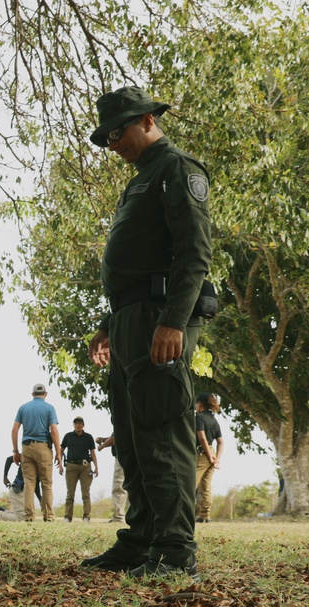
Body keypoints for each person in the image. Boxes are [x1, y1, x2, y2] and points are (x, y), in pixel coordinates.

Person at [83, 86, 212, 581]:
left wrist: (173, 321)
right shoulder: (141, 179)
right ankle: (141, 540)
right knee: (132, 437)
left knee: (161, 429)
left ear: (147, 120)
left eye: (118, 132)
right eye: (107, 137)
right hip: (130, 320)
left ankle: (176, 550)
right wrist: (107, 325)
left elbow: (194, 254)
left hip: (162, 318)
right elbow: (131, 266)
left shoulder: (178, 169)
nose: (113, 144)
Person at [11, 383, 62, 521]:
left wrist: (16, 451)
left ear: (33, 394)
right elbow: (54, 432)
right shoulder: (49, 408)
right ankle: (49, 516)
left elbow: (15, 429)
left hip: (26, 448)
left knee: (29, 483)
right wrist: (58, 453)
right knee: (46, 483)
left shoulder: (23, 408)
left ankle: (29, 516)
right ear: (46, 394)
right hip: (43, 447)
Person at [60, 417, 98, 522]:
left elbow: (93, 453)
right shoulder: (68, 436)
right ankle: (68, 516)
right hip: (71, 466)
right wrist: (60, 464)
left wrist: (96, 467)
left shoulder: (88, 437)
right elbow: (61, 449)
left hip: (85, 466)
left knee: (85, 493)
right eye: (76, 423)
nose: (78, 425)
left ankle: (86, 516)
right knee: (70, 493)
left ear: (83, 425)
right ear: (73, 425)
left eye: (80, 423)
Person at [194, 393, 223, 522]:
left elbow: (202, 437)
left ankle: (185, 512)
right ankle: (205, 515)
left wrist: (209, 456)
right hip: (212, 451)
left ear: (200, 404)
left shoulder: (199, 418)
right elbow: (221, 441)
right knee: (206, 486)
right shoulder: (213, 420)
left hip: (202, 453)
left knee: (191, 483)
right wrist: (217, 458)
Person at [0, 454, 42, 521]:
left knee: (29, 517)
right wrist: (5, 477)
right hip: (19, 491)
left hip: (25, 493)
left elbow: (36, 484)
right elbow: (9, 459)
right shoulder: (28, 456)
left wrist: (40, 499)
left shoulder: (36, 460)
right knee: (22, 518)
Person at [96, 435, 127, 523]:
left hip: (123, 456)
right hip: (133, 456)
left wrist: (102, 446)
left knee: (119, 486)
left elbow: (115, 438)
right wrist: (104, 439)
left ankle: (119, 517)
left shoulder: (122, 421)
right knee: (131, 487)